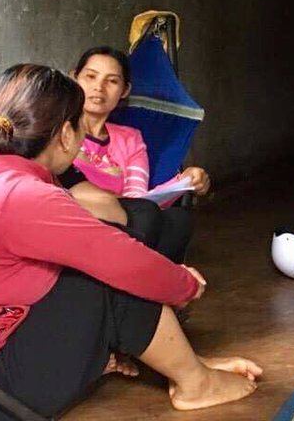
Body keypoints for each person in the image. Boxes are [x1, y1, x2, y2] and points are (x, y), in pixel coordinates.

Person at [0, 64, 260, 421]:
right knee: (111, 273)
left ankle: (185, 365)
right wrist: (183, 286)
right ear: (66, 134)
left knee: (105, 257)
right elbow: (126, 263)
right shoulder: (20, 196)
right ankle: (196, 384)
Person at [63, 46, 210, 264]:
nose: (99, 88)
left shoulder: (130, 139)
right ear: (74, 78)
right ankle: (139, 274)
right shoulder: (58, 131)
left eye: (112, 81)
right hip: (75, 221)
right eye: (90, 76)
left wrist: (185, 181)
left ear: (125, 90)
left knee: (178, 219)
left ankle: (132, 273)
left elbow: (138, 200)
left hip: (125, 223)